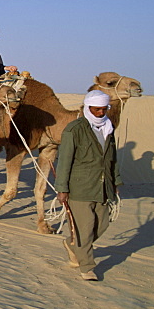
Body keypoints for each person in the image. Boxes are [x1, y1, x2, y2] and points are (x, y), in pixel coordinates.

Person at [56, 90, 122, 281]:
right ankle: (87, 267)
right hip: (79, 187)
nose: (101, 113)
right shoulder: (74, 130)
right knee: (85, 228)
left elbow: (112, 158)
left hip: (102, 186)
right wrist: (62, 188)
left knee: (102, 225)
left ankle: (72, 244)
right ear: (88, 108)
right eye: (96, 109)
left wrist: (115, 180)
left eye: (103, 109)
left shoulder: (108, 129)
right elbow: (65, 161)